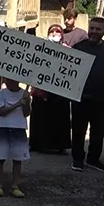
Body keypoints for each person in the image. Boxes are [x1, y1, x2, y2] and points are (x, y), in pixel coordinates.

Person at [70, 17, 104, 173]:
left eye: (98, 29)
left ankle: (93, 159)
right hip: (81, 97)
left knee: (98, 131)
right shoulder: (78, 47)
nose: (94, 31)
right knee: (78, 130)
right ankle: (77, 159)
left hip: (100, 98)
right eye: (92, 28)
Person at [29, 24, 72, 153]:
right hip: (41, 90)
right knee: (40, 117)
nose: (54, 34)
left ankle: (60, 145)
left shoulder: (68, 50)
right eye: (52, 32)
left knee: (60, 118)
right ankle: (37, 144)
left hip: (60, 91)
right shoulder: (40, 48)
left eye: (57, 32)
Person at [0, 78, 31, 198]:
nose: (7, 82)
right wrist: (18, 104)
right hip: (4, 128)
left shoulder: (24, 93)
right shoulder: (2, 93)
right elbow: (1, 111)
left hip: (19, 128)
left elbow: (27, 113)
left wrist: (27, 102)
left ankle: (15, 185)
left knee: (17, 159)